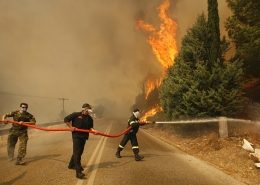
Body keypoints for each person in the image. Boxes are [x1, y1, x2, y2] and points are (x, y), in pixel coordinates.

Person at [64, 103, 96, 179]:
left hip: (84, 137)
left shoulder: (90, 119)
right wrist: (71, 127)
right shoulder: (76, 114)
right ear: (83, 109)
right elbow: (66, 119)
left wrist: (94, 131)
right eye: (86, 109)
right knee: (77, 153)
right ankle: (78, 172)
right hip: (76, 136)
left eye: (88, 109)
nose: (87, 111)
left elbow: (90, 128)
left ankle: (71, 165)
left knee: (79, 152)